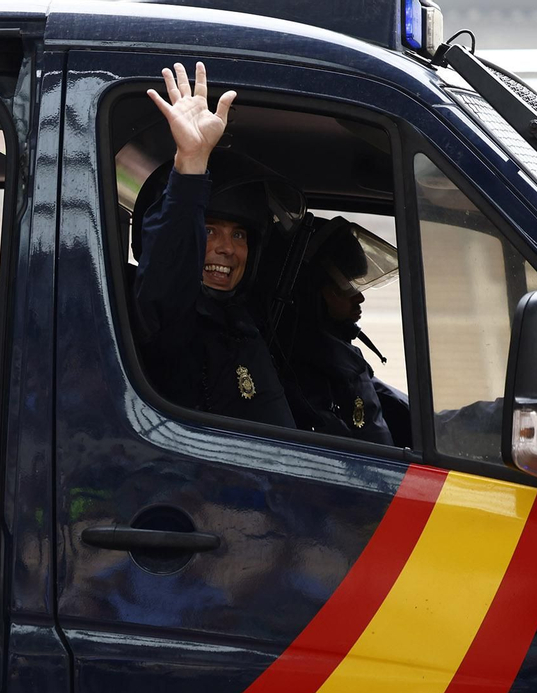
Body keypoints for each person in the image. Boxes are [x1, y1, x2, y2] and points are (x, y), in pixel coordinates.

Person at [132, 61, 300, 428]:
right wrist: (191, 164)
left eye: (238, 235)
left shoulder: (244, 323)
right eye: (210, 231)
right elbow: (171, 265)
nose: (227, 248)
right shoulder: (171, 322)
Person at [278, 216, 406, 446]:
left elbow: (399, 408)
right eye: (345, 285)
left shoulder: (343, 357)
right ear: (313, 291)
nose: (359, 296)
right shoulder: (306, 371)